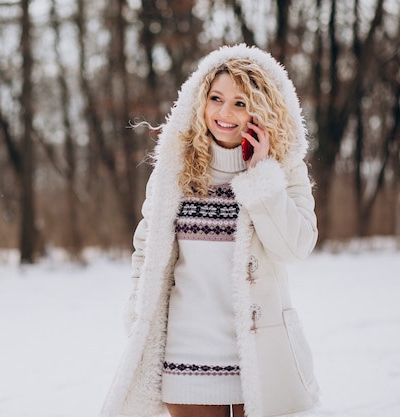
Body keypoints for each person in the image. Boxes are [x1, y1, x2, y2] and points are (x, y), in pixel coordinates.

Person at [99, 44, 320, 417]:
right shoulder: (174, 171)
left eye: (240, 102)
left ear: (261, 109)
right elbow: (145, 249)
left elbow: (295, 247)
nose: (224, 112)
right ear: (199, 101)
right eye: (215, 98)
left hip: (262, 359)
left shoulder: (283, 170)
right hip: (186, 358)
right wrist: (138, 310)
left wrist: (261, 177)